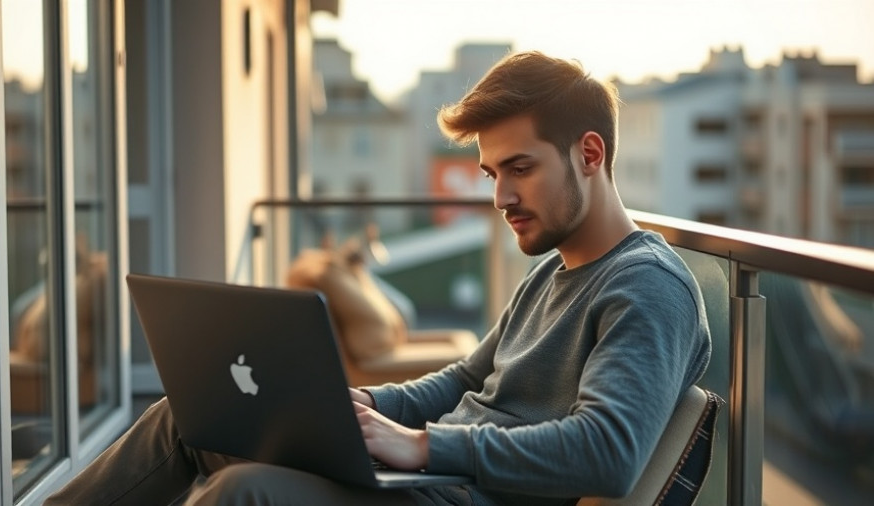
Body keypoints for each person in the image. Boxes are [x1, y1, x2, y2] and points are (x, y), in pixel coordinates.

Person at [45, 50, 711, 506]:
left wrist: (422, 447)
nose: (501, 196)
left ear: (589, 153)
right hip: (422, 480)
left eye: (521, 167)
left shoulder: (646, 286)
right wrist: (354, 406)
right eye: (492, 174)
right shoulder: (551, 275)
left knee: (242, 492)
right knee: (187, 419)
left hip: (451, 494)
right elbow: (461, 382)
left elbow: (609, 450)